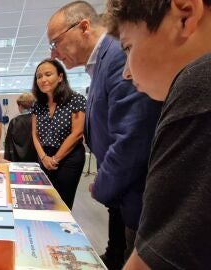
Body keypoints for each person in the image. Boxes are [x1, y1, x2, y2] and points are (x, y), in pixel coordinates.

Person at [47, 2, 162, 268]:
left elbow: (132, 136)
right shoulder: (101, 62)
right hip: (124, 192)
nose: (54, 54)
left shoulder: (119, 54)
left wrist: (103, 186)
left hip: (139, 194)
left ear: (83, 27)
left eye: (55, 42)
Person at [105, 0, 211, 269]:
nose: (127, 72)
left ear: (185, 16)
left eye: (129, 47)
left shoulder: (198, 83)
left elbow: (161, 258)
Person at [30, 59, 86, 209]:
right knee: (43, 201)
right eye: (39, 76)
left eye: (48, 74)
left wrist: (55, 159)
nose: (43, 79)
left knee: (62, 203)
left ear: (60, 77)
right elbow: (35, 134)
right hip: (44, 155)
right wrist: (43, 157)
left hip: (69, 157)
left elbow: (77, 133)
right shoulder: (38, 104)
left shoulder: (76, 99)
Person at [4, 92, 37, 162]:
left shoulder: (14, 121)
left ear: (20, 106)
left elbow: (8, 143)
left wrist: (7, 159)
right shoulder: (37, 120)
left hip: (16, 159)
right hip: (34, 158)